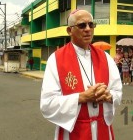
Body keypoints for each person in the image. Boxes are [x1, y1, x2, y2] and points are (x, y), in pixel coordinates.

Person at [40, 9, 122, 140]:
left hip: (102, 130)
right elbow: (47, 104)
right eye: (82, 25)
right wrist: (81, 97)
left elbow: (118, 91)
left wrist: (109, 95)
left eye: (91, 24)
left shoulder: (105, 58)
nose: (88, 29)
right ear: (69, 30)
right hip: (74, 132)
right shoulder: (56, 59)